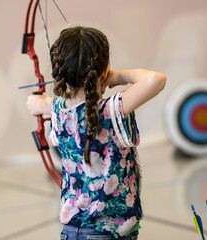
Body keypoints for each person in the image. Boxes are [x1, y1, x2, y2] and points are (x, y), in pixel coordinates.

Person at [26, 26, 166, 240]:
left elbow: (54, 104)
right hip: (112, 232)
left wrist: (41, 103)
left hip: (72, 231)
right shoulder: (111, 110)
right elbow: (156, 79)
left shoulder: (59, 112)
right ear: (103, 70)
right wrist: (119, 75)